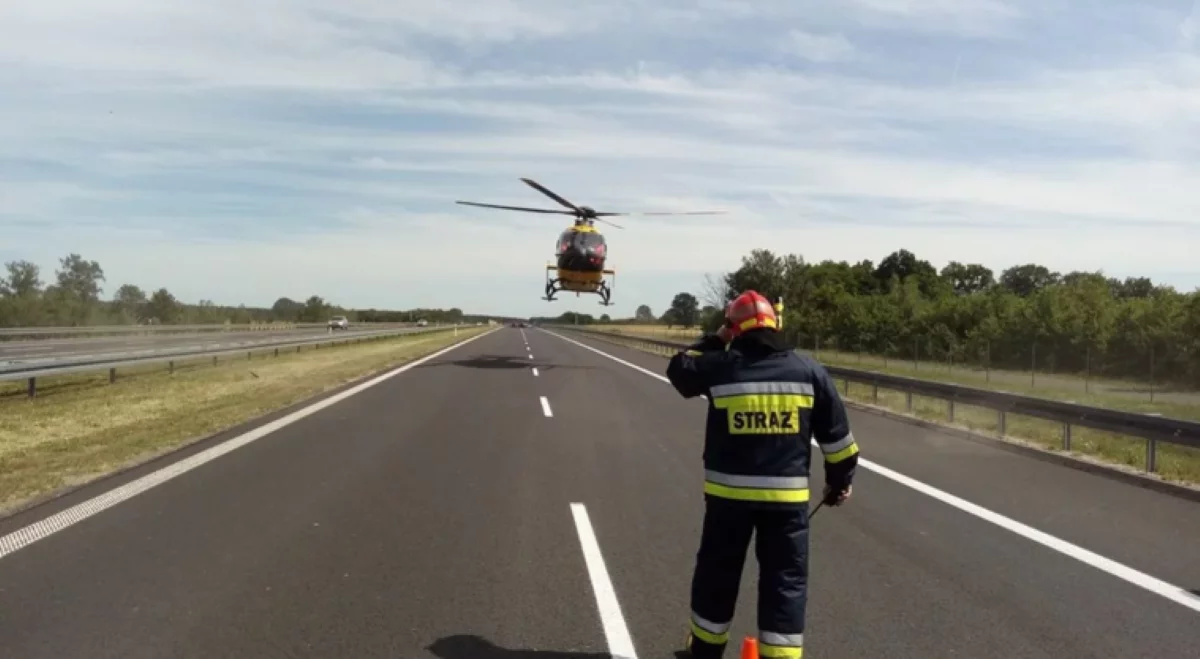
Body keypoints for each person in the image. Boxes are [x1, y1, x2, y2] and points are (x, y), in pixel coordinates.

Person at [666, 289, 859, 659]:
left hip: (728, 502)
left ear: (734, 329)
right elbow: (840, 443)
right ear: (775, 325)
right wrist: (838, 484)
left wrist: (716, 339)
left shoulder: (720, 367)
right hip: (786, 506)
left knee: (716, 577)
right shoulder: (809, 372)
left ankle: (705, 651)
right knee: (785, 583)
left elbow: (679, 370)